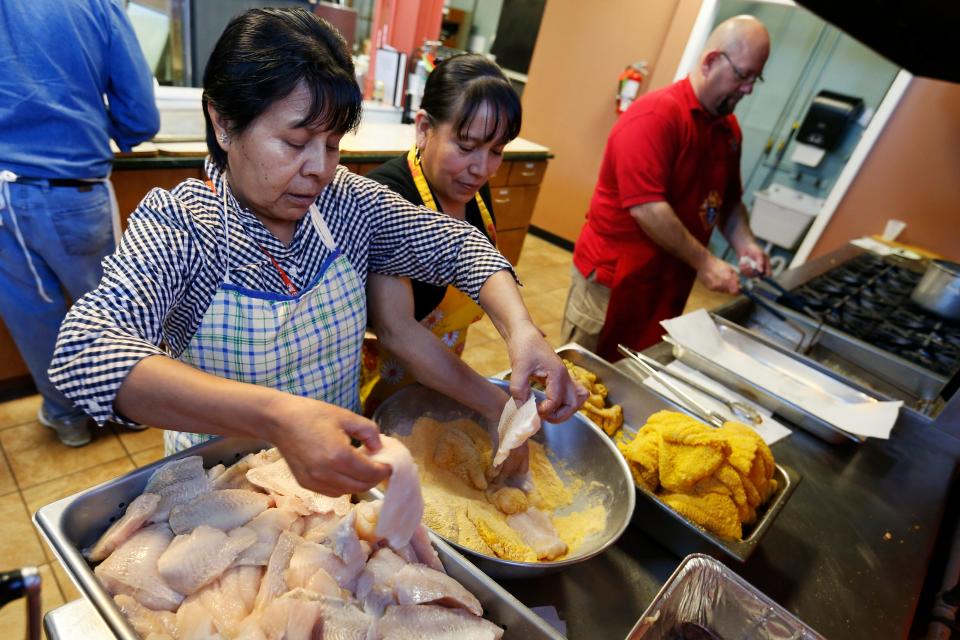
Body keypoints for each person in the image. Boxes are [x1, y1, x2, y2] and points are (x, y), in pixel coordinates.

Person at [49, 8, 581, 497]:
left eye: (331, 145)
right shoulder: (185, 226)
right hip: (223, 499)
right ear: (223, 122)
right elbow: (84, 351)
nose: (318, 169)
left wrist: (521, 329)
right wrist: (274, 417)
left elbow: (459, 245)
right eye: (295, 141)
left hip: (337, 482)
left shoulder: (346, 204)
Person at [359, 53, 535, 476]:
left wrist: (521, 332)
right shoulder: (390, 196)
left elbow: (482, 271)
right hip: (377, 392)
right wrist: (498, 407)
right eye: (466, 146)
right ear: (424, 128)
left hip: (439, 379)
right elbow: (398, 334)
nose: (481, 168)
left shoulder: (471, 191)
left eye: (496, 151)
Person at [561, 15, 772, 362]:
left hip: (668, 282)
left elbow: (729, 203)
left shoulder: (728, 129)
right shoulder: (656, 116)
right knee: (582, 377)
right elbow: (647, 207)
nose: (748, 88)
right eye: (743, 75)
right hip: (614, 284)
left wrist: (746, 245)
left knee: (639, 371)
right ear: (710, 61)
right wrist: (706, 263)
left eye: (756, 78)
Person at [0, 0, 160, 447]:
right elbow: (141, 117)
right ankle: (131, 410)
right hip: (73, 186)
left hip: (2, 194)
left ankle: (66, 417)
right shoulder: (95, 4)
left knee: (33, 314)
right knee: (113, 308)